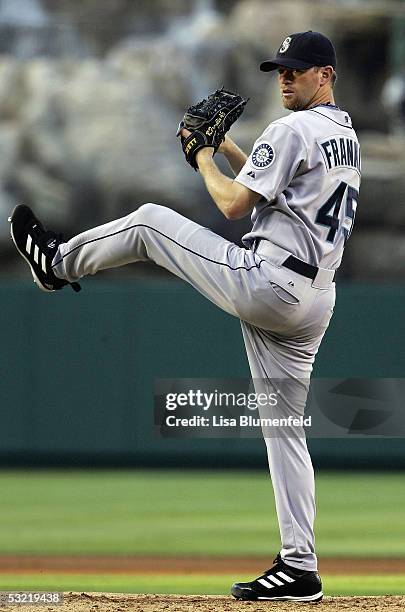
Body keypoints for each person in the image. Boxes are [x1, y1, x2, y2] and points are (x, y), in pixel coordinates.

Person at [9, 31, 360, 602]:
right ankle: (300, 566)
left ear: (326, 74)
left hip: (268, 282)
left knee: (148, 221)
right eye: (281, 69)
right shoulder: (343, 135)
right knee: (284, 429)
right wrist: (225, 150)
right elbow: (274, 195)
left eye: (298, 70)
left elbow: (230, 205)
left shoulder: (292, 128)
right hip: (314, 296)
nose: (286, 77)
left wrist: (200, 154)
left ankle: (55, 262)